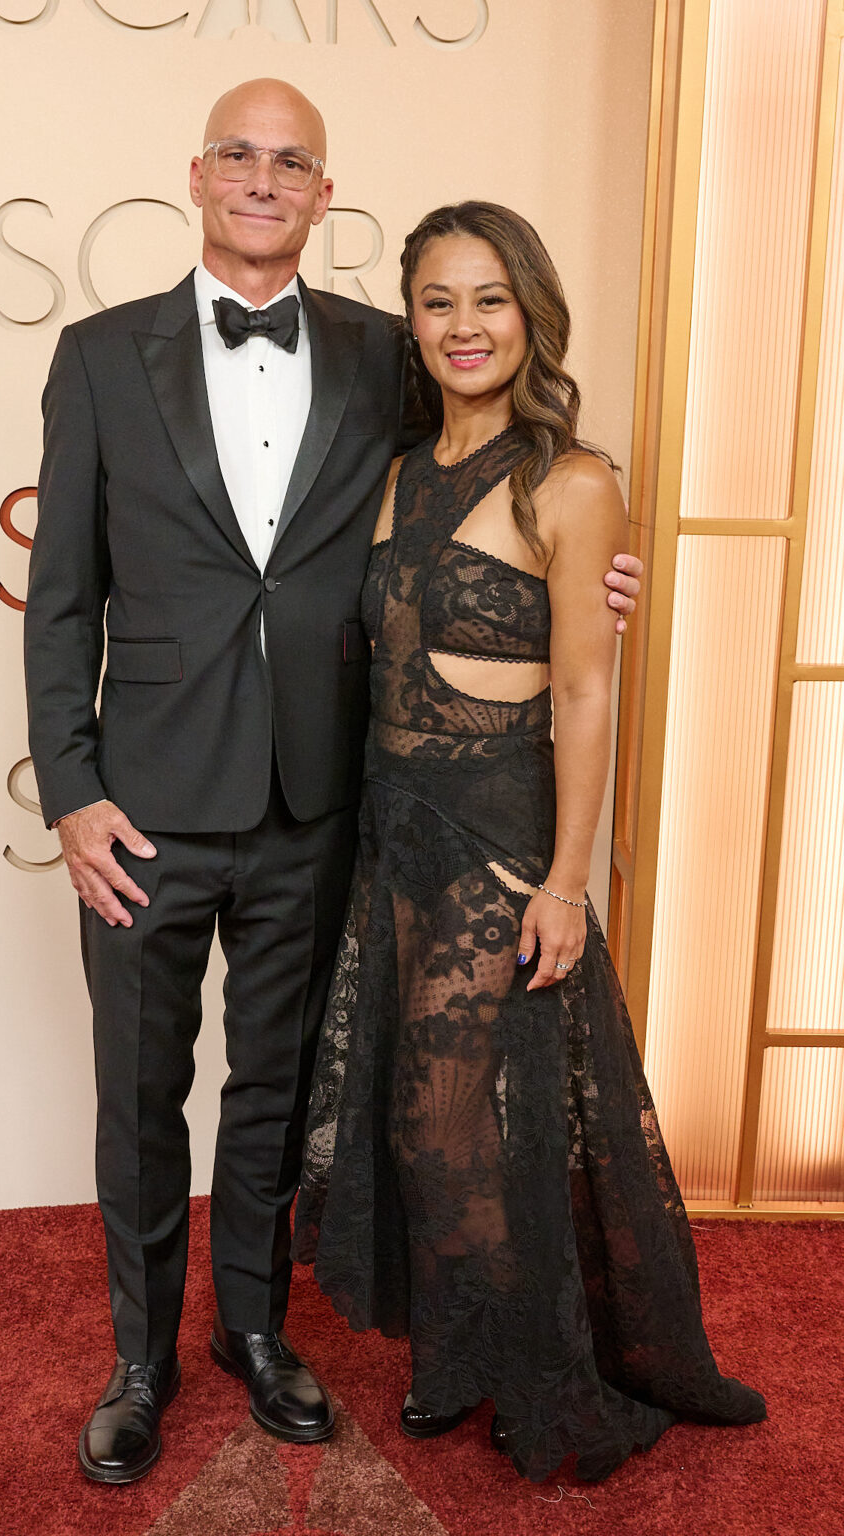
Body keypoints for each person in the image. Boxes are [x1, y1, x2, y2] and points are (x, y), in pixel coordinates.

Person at [24, 83, 643, 1486]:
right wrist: (70, 788)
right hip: (140, 809)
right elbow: (59, 600)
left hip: (319, 806)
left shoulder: (386, 352)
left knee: (270, 1093)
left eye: (288, 162)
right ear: (196, 176)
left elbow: (487, 487)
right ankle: (138, 1362)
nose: (260, 179)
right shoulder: (100, 357)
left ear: (321, 192)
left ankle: (252, 1330)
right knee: (136, 1096)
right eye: (237, 156)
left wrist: (598, 573)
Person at [292, 200, 766, 1483]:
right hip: (394, 831)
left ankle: (549, 1377)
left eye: (489, 298)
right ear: (411, 319)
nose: (463, 325)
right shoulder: (393, 472)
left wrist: (568, 878)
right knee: (409, 1120)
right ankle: (458, 1353)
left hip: (498, 843)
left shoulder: (570, 478)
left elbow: (584, 692)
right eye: (438, 300)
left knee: (460, 1122)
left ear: (532, 313)